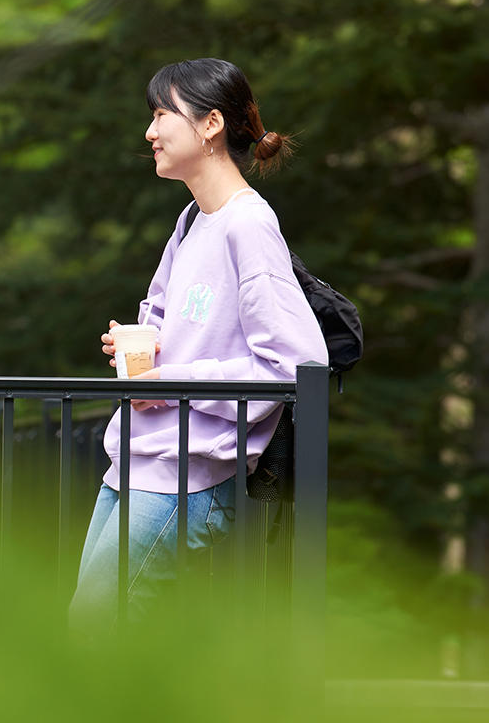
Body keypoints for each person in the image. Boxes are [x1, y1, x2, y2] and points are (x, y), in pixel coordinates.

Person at [67, 58, 327, 633]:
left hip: (190, 475)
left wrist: (177, 382)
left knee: (99, 628)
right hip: (139, 461)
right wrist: (140, 346)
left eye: (162, 114)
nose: (150, 132)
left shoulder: (247, 224)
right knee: (91, 625)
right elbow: (161, 316)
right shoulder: (192, 220)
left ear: (210, 125)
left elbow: (295, 363)